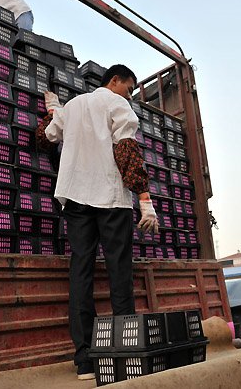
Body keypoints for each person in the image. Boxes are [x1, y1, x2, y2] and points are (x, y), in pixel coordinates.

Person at [35, 65, 159, 380]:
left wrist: (53, 110)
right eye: (129, 88)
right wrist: (145, 200)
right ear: (114, 81)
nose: (129, 95)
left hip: (75, 197)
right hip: (111, 198)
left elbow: (45, 138)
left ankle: (85, 361)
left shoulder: (73, 106)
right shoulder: (117, 104)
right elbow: (126, 150)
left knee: (81, 272)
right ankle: (126, 356)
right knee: (119, 272)